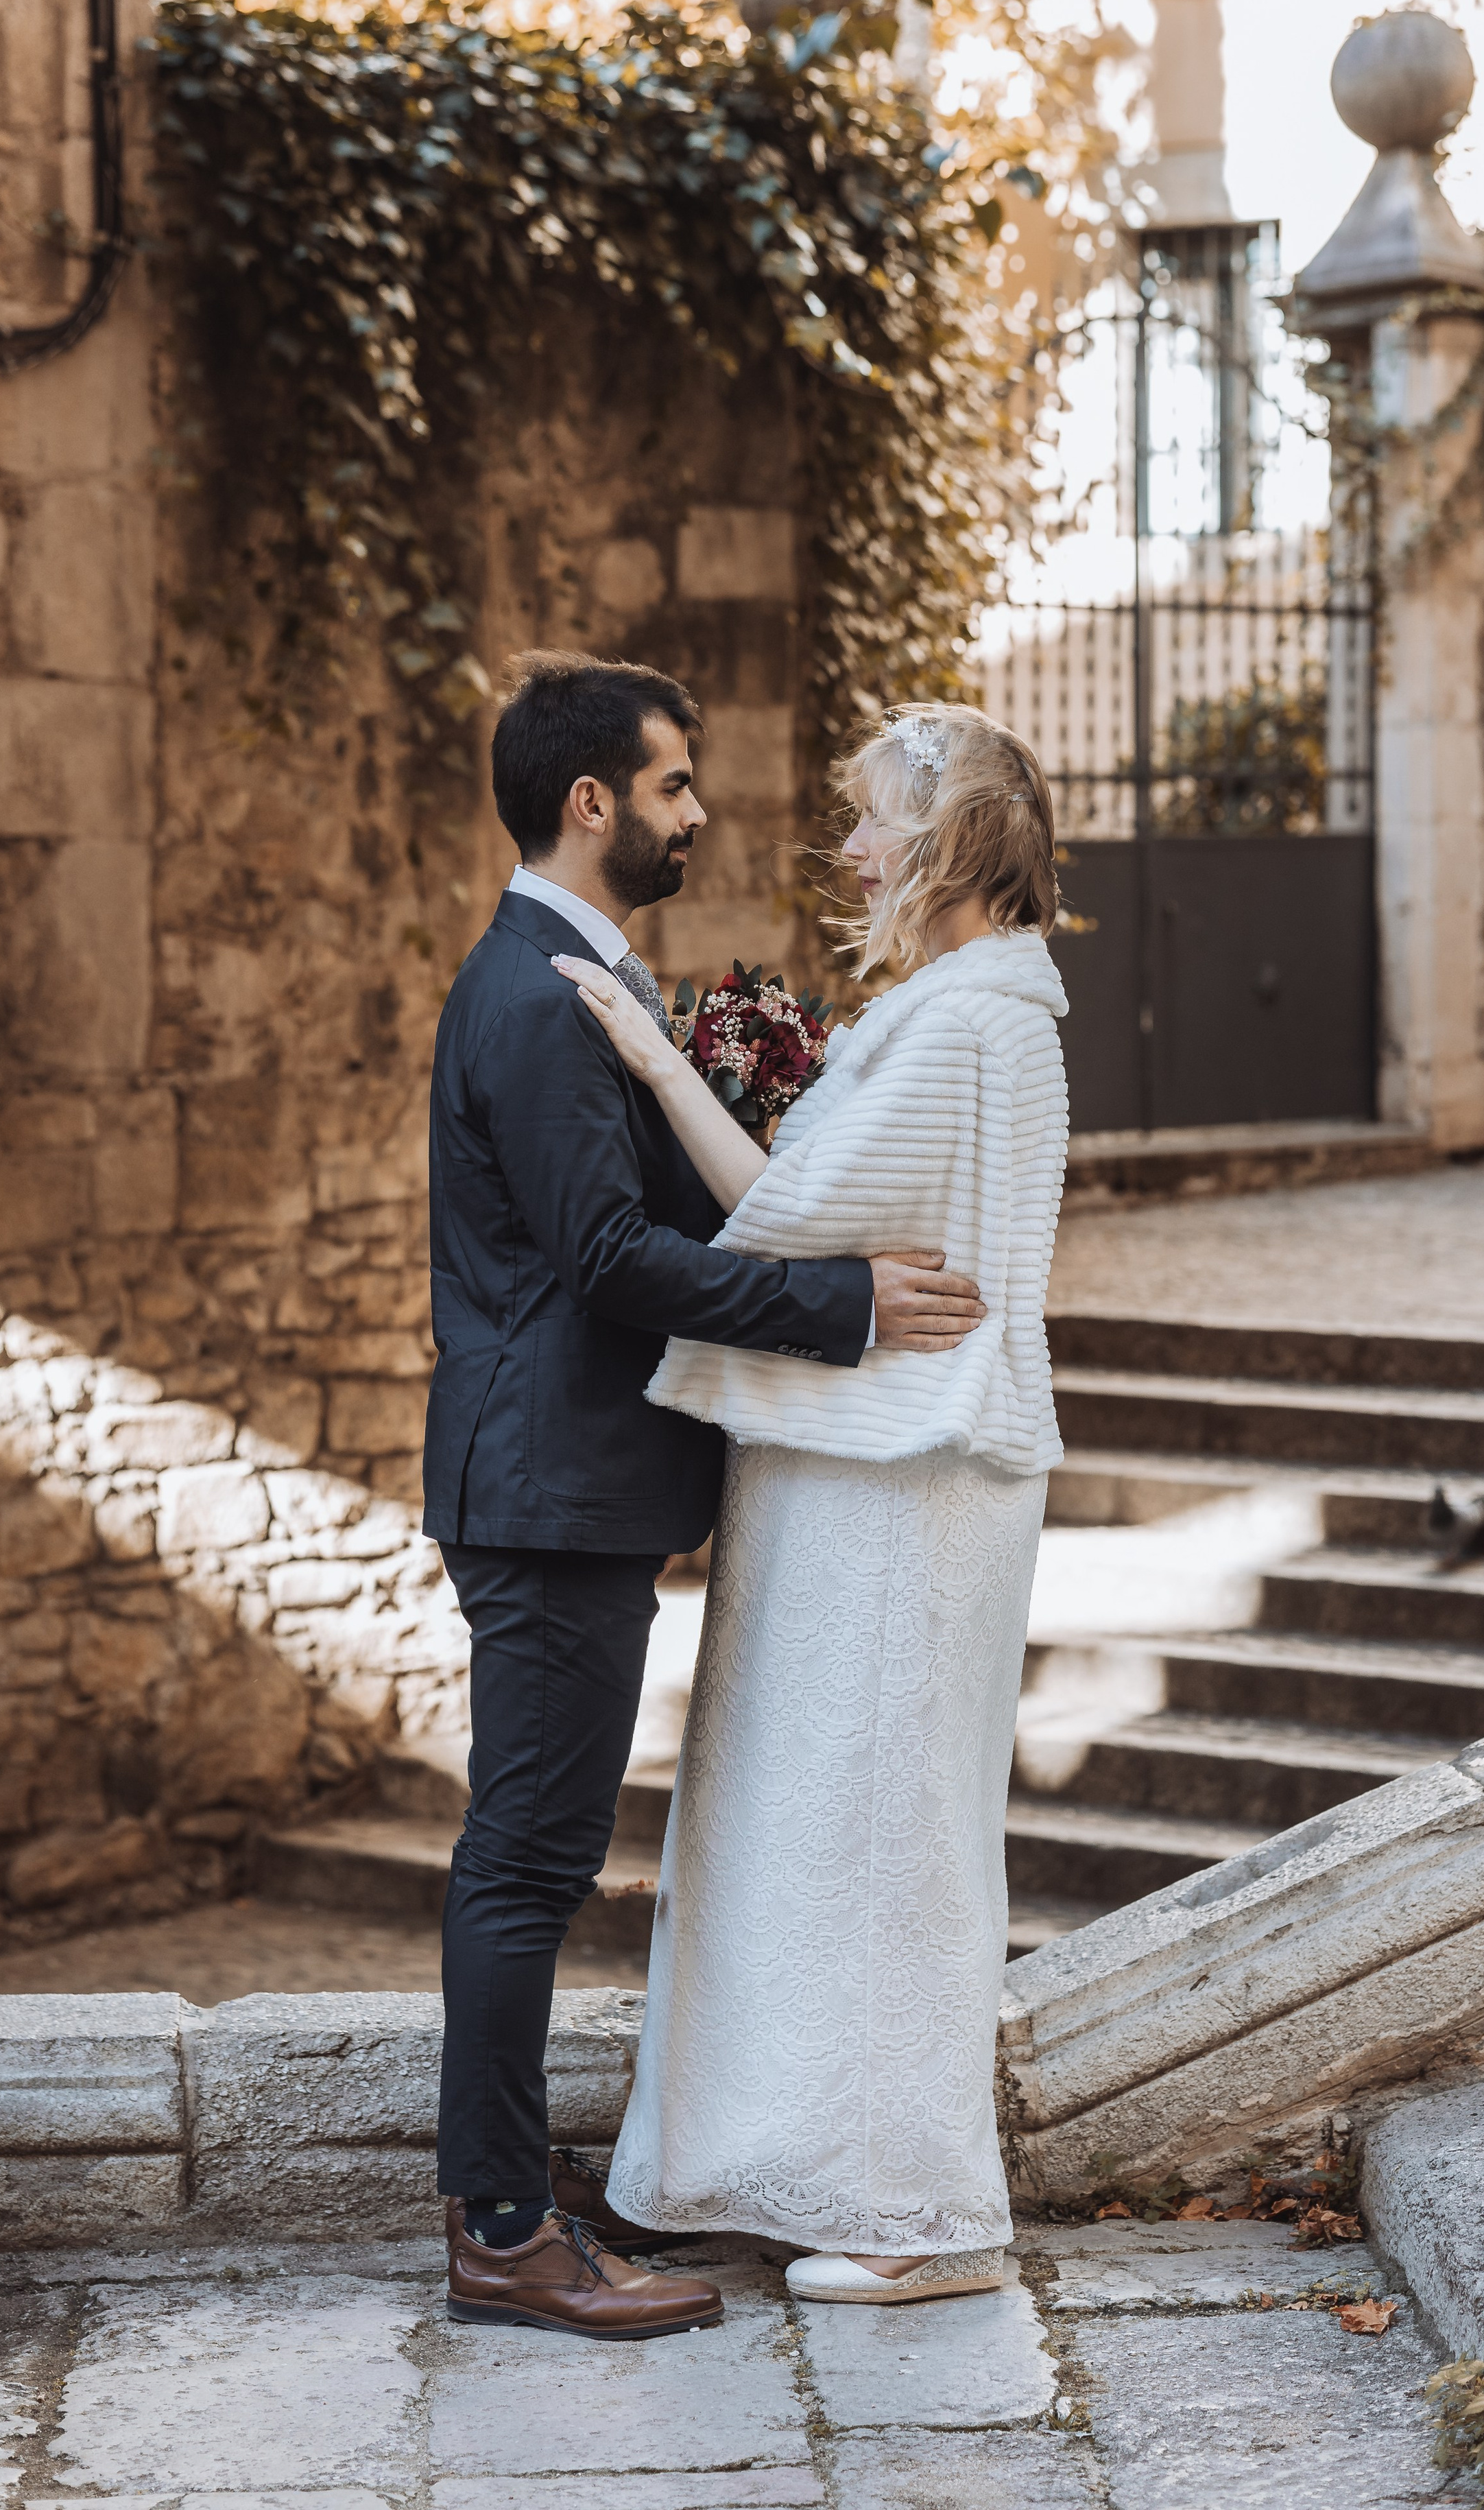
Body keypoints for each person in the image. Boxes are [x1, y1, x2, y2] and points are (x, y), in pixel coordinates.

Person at [425, 652, 989, 2340]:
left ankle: (522, 2199)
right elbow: (604, 1257)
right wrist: (848, 1307)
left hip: (571, 1485)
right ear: (590, 802)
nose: (695, 814)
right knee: (526, 1859)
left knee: (534, 1850)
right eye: (672, 786)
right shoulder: (534, 995)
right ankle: (505, 2232)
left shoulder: (579, 979)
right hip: (546, 1489)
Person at [553, 700, 1070, 2308]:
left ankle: (915, 2215)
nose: (845, 847)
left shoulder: (977, 1020)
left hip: (905, 1487)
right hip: (855, 1470)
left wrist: (645, 1051)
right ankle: (769, 2161)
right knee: (795, 1831)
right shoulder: (951, 1006)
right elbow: (819, 1221)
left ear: (942, 842)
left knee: (884, 1835)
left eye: (868, 822)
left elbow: (777, 1217)